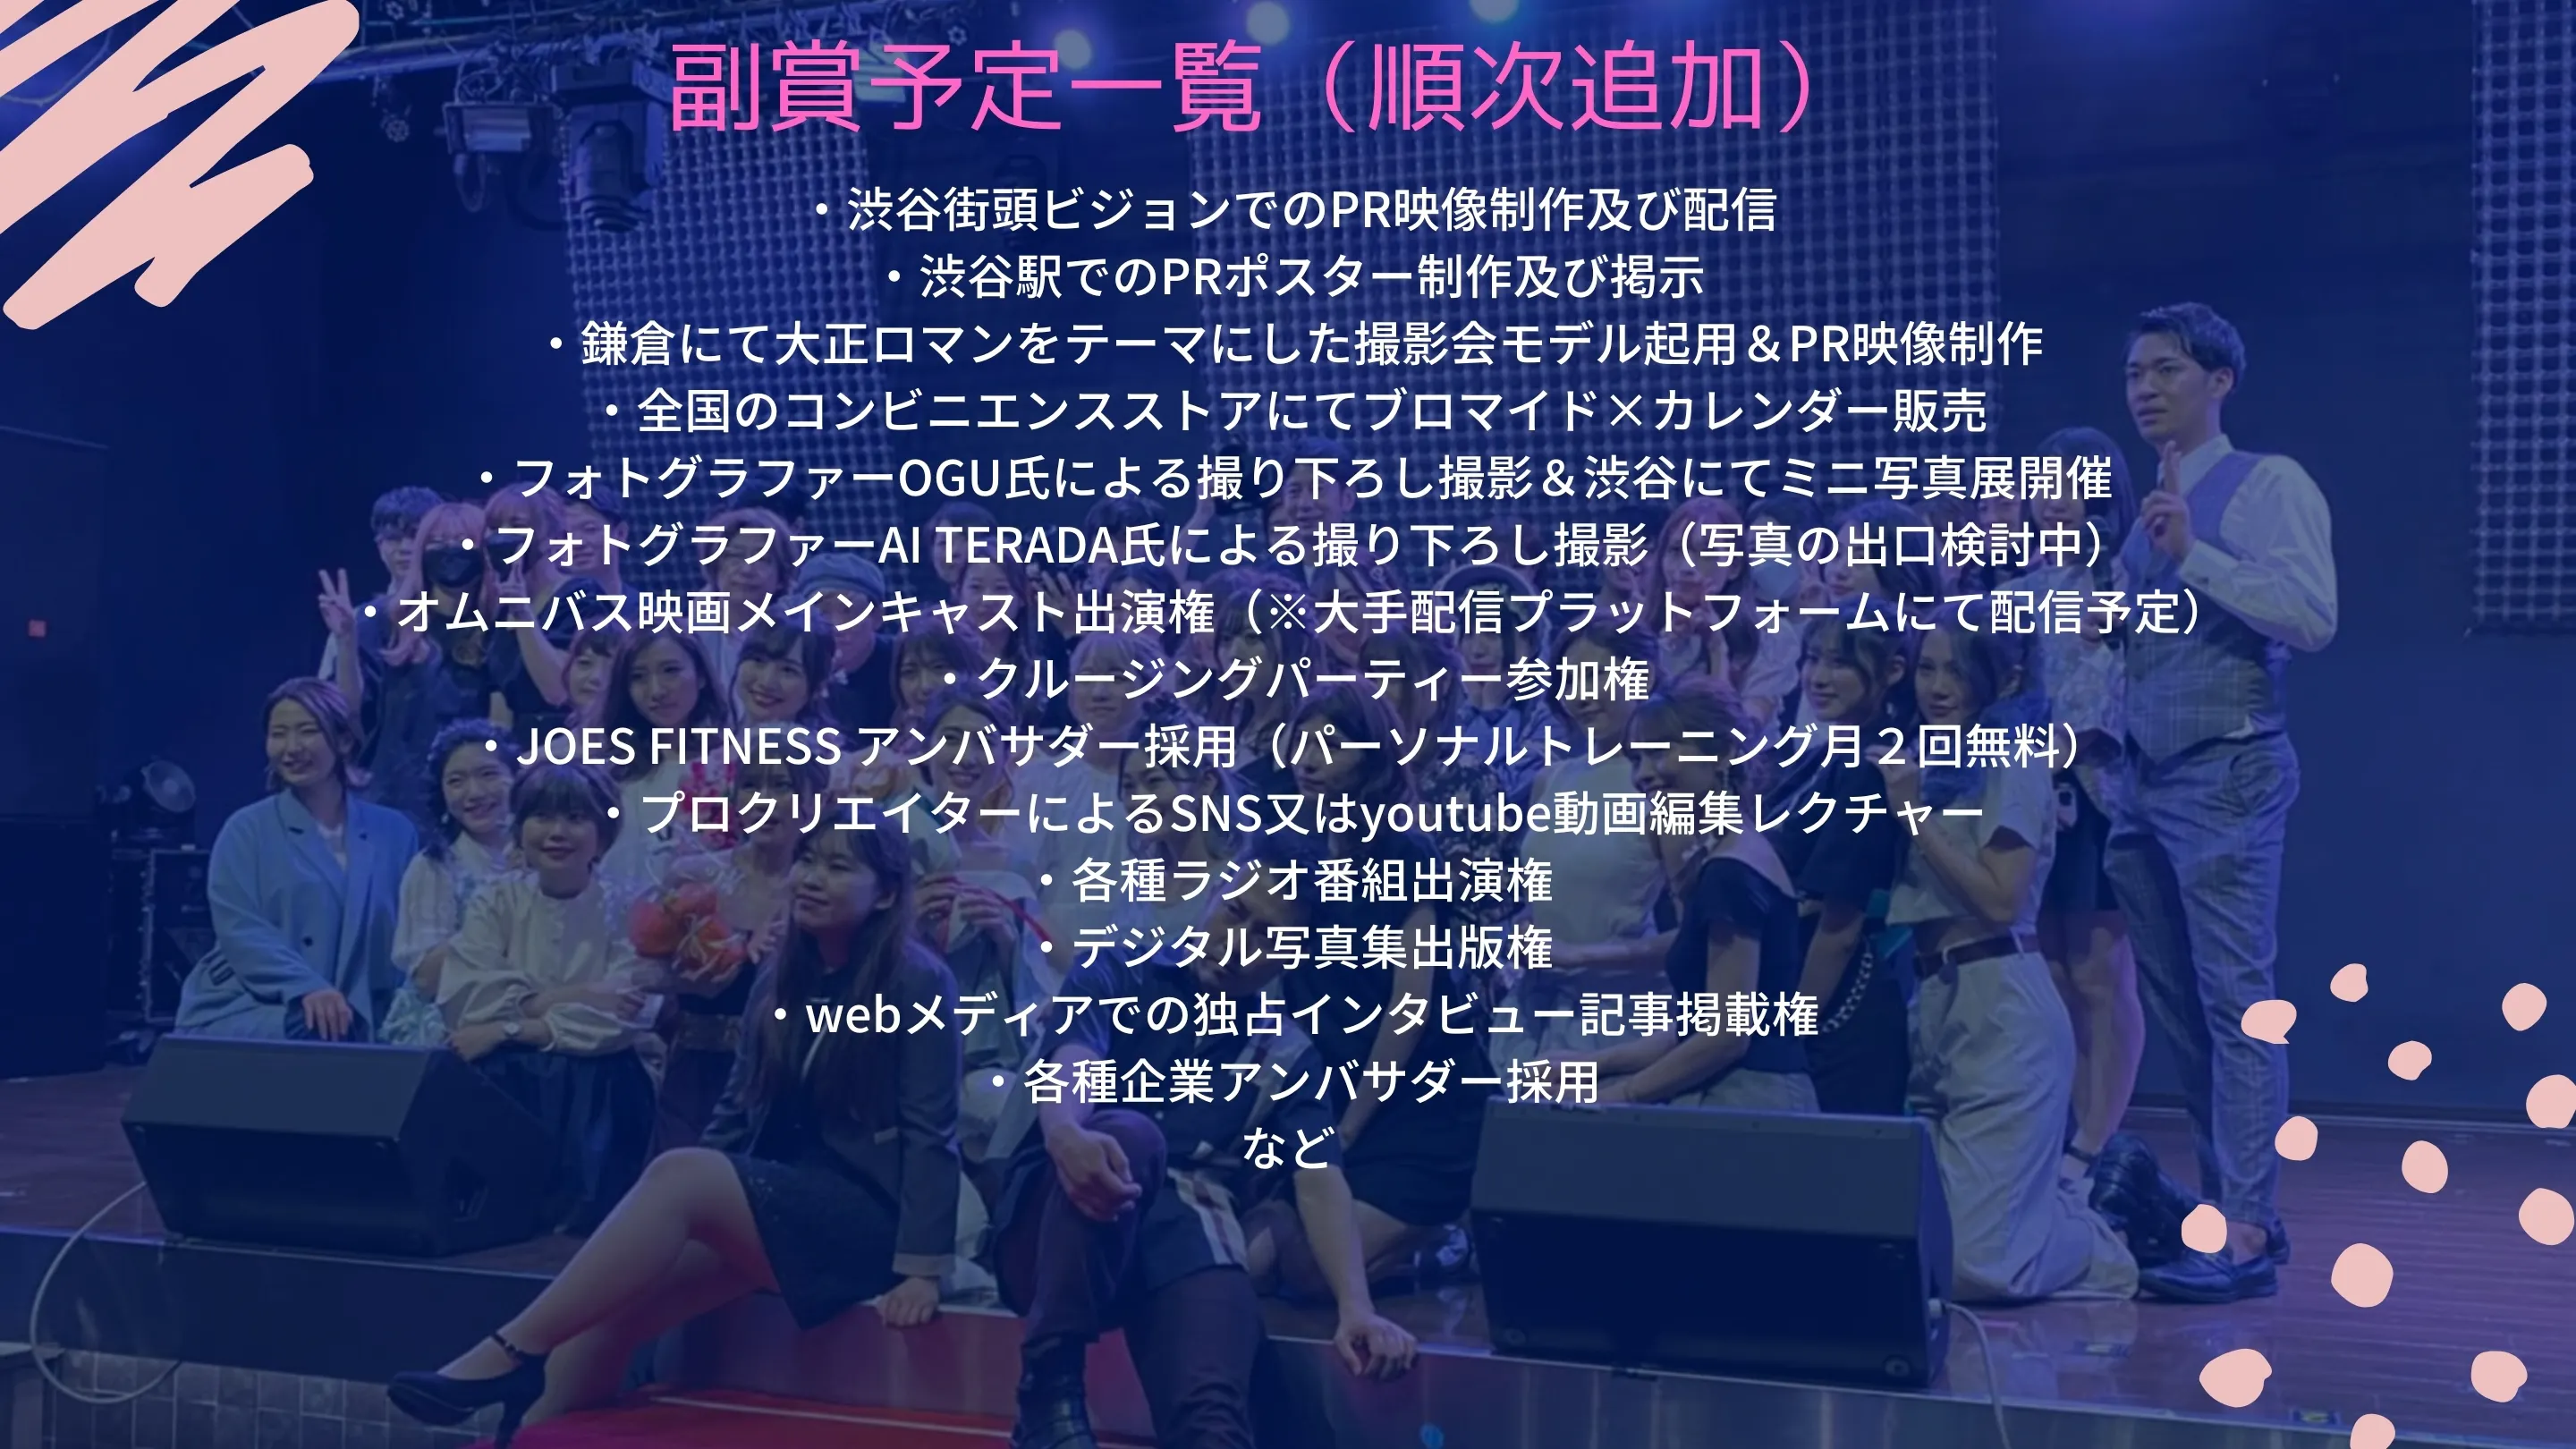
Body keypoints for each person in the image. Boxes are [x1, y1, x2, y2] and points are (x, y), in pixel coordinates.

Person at [388, 813, 960, 1448]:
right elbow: (739, 1110)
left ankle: (510, 1350)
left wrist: (922, 1269)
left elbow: (931, 1132)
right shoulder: (781, 975)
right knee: (610, 1311)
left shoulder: (917, 980)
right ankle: (521, 1427)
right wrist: (697, 1212)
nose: (812, 878)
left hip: (865, 1219)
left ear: (885, 893)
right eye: (808, 860)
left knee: (680, 1171)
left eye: (838, 866)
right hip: (780, 1199)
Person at [987, 830, 1416, 1449]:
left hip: (1183, 1234)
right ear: (1217, 891)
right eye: (1236, 912)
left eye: (1267, 937)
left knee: (1213, 1416)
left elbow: (1320, 1180)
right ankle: (1048, 1390)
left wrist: (1357, 1307)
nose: (1239, 943)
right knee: (1133, 1138)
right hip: (1059, 1220)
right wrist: (1064, 1132)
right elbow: (1074, 1058)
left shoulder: (1286, 1051)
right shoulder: (1120, 966)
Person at [2102, 303, 2335, 1302]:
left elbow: (2312, 617)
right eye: (2134, 374)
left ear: (2220, 380)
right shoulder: (2149, 505)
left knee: (2240, 1005)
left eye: (2166, 369)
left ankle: (2249, 1227)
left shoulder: (2269, 483)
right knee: (2181, 1012)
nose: (2145, 388)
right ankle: (2221, 1208)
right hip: (2142, 783)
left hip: (2226, 769)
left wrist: (2198, 554)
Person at [1881, 608, 2136, 1304]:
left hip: (2001, 1005)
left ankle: (2105, 1230)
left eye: (1957, 671)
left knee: (1980, 1269)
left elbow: (1999, 899)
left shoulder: (2012, 760)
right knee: (1926, 1254)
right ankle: (2043, 1215)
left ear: (2007, 679)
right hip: (1933, 1002)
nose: (1938, 687)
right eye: (1927, 668)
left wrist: (1913, 819)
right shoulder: (1929, 758)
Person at [1560, 675, 1818, 1110]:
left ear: (1724, 755)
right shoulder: (1729, 856)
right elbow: (1695, 1026)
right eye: (1637, 759)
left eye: (1659, 753)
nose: (1644, 774)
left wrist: (1616, 1095)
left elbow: (1726, 1036)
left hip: (1749, 1099)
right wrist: (1593, 1065)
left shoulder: (1731, 869)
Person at [2004, 428, 2147, 1187]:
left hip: (2096, 796)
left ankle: (2097, 1139)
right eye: (2040, 483)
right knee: (2053, 971)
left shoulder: (2124, 580)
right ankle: (2063, 1130)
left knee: (2099, 974)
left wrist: (2062, 744)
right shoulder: (2021, 587)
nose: (2049, 498)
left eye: (2066, 484)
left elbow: (2117, 695)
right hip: (2035, 796)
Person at [437, 764, 664, 1235]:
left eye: (576, 818)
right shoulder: (494, 901)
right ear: (521, 829)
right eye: (542, 817)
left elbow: (625, 1016)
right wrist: (580, 994)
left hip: (599, 1087)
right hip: (508, 1076)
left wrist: (511, 1026)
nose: (557, 832)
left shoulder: (631, 907)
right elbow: (468, 998)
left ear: (602, 835)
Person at [176, 679, 419, 1042]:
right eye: (278, 734)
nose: (291, 748)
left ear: (344, 740)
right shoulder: (247, 829)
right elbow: (240, 929)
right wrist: (307, 987)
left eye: (307, 731)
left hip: (364, 1009)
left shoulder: (395, 831)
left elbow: (409, 932)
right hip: (260, 1002)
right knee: (312, 1029)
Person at [1762, 612, 1917, 1115]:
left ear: (1893, 671)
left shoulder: (1871, 766)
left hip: (1839, 1012)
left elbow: (1840, 926)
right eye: (1813, 660)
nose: (1819, 678)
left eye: (1840, 663)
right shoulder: (1829, 753)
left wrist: (1790, 1034)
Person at [638, 757, 823, 1149]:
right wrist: (690, 980)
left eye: (783, 786)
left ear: (814, 800)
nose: (763, 800)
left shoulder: (821, 888)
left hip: (787, 1073)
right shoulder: (693, 874)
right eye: (751, 786)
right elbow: (641, 972)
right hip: (696, 1072)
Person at [382, 720, 519, 1046]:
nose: (475, 792)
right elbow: (427, 980)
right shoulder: (433, 867)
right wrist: (502, 900)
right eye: (456, 781)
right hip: (448, 1026)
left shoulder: (548, 855)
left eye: (488, 774)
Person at [589, 631, 731, 894]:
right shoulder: (607, 773)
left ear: (700, 676)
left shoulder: (727, 767)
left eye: (670, 671)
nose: (656, 691)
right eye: (638, 677)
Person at [316, 486, 442, 683]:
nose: (405, 548)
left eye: (415, 536)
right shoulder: (357, 621)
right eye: (393, 538)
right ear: (379, 546)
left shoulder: (462, 609)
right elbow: (331, 699)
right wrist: (346, 639)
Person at [788, 555, 897, 732]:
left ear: (877, 617)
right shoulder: (791, 663)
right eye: (822, 612)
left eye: (849, 611)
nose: (837, 626)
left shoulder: (903, 663)